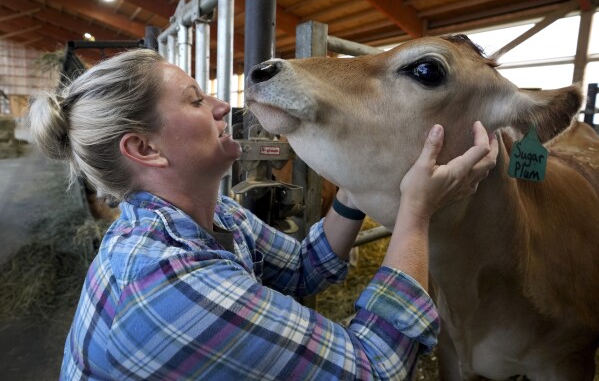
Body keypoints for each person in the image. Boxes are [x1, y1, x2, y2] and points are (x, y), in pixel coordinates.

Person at [29, 48, 498, 381]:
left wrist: (357, 185)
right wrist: (416, 213)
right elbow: (375, 370)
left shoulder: (213, 217)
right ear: (145, 148)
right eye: (196, 100)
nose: (221, 106)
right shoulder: (167, 283)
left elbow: (302, 269)